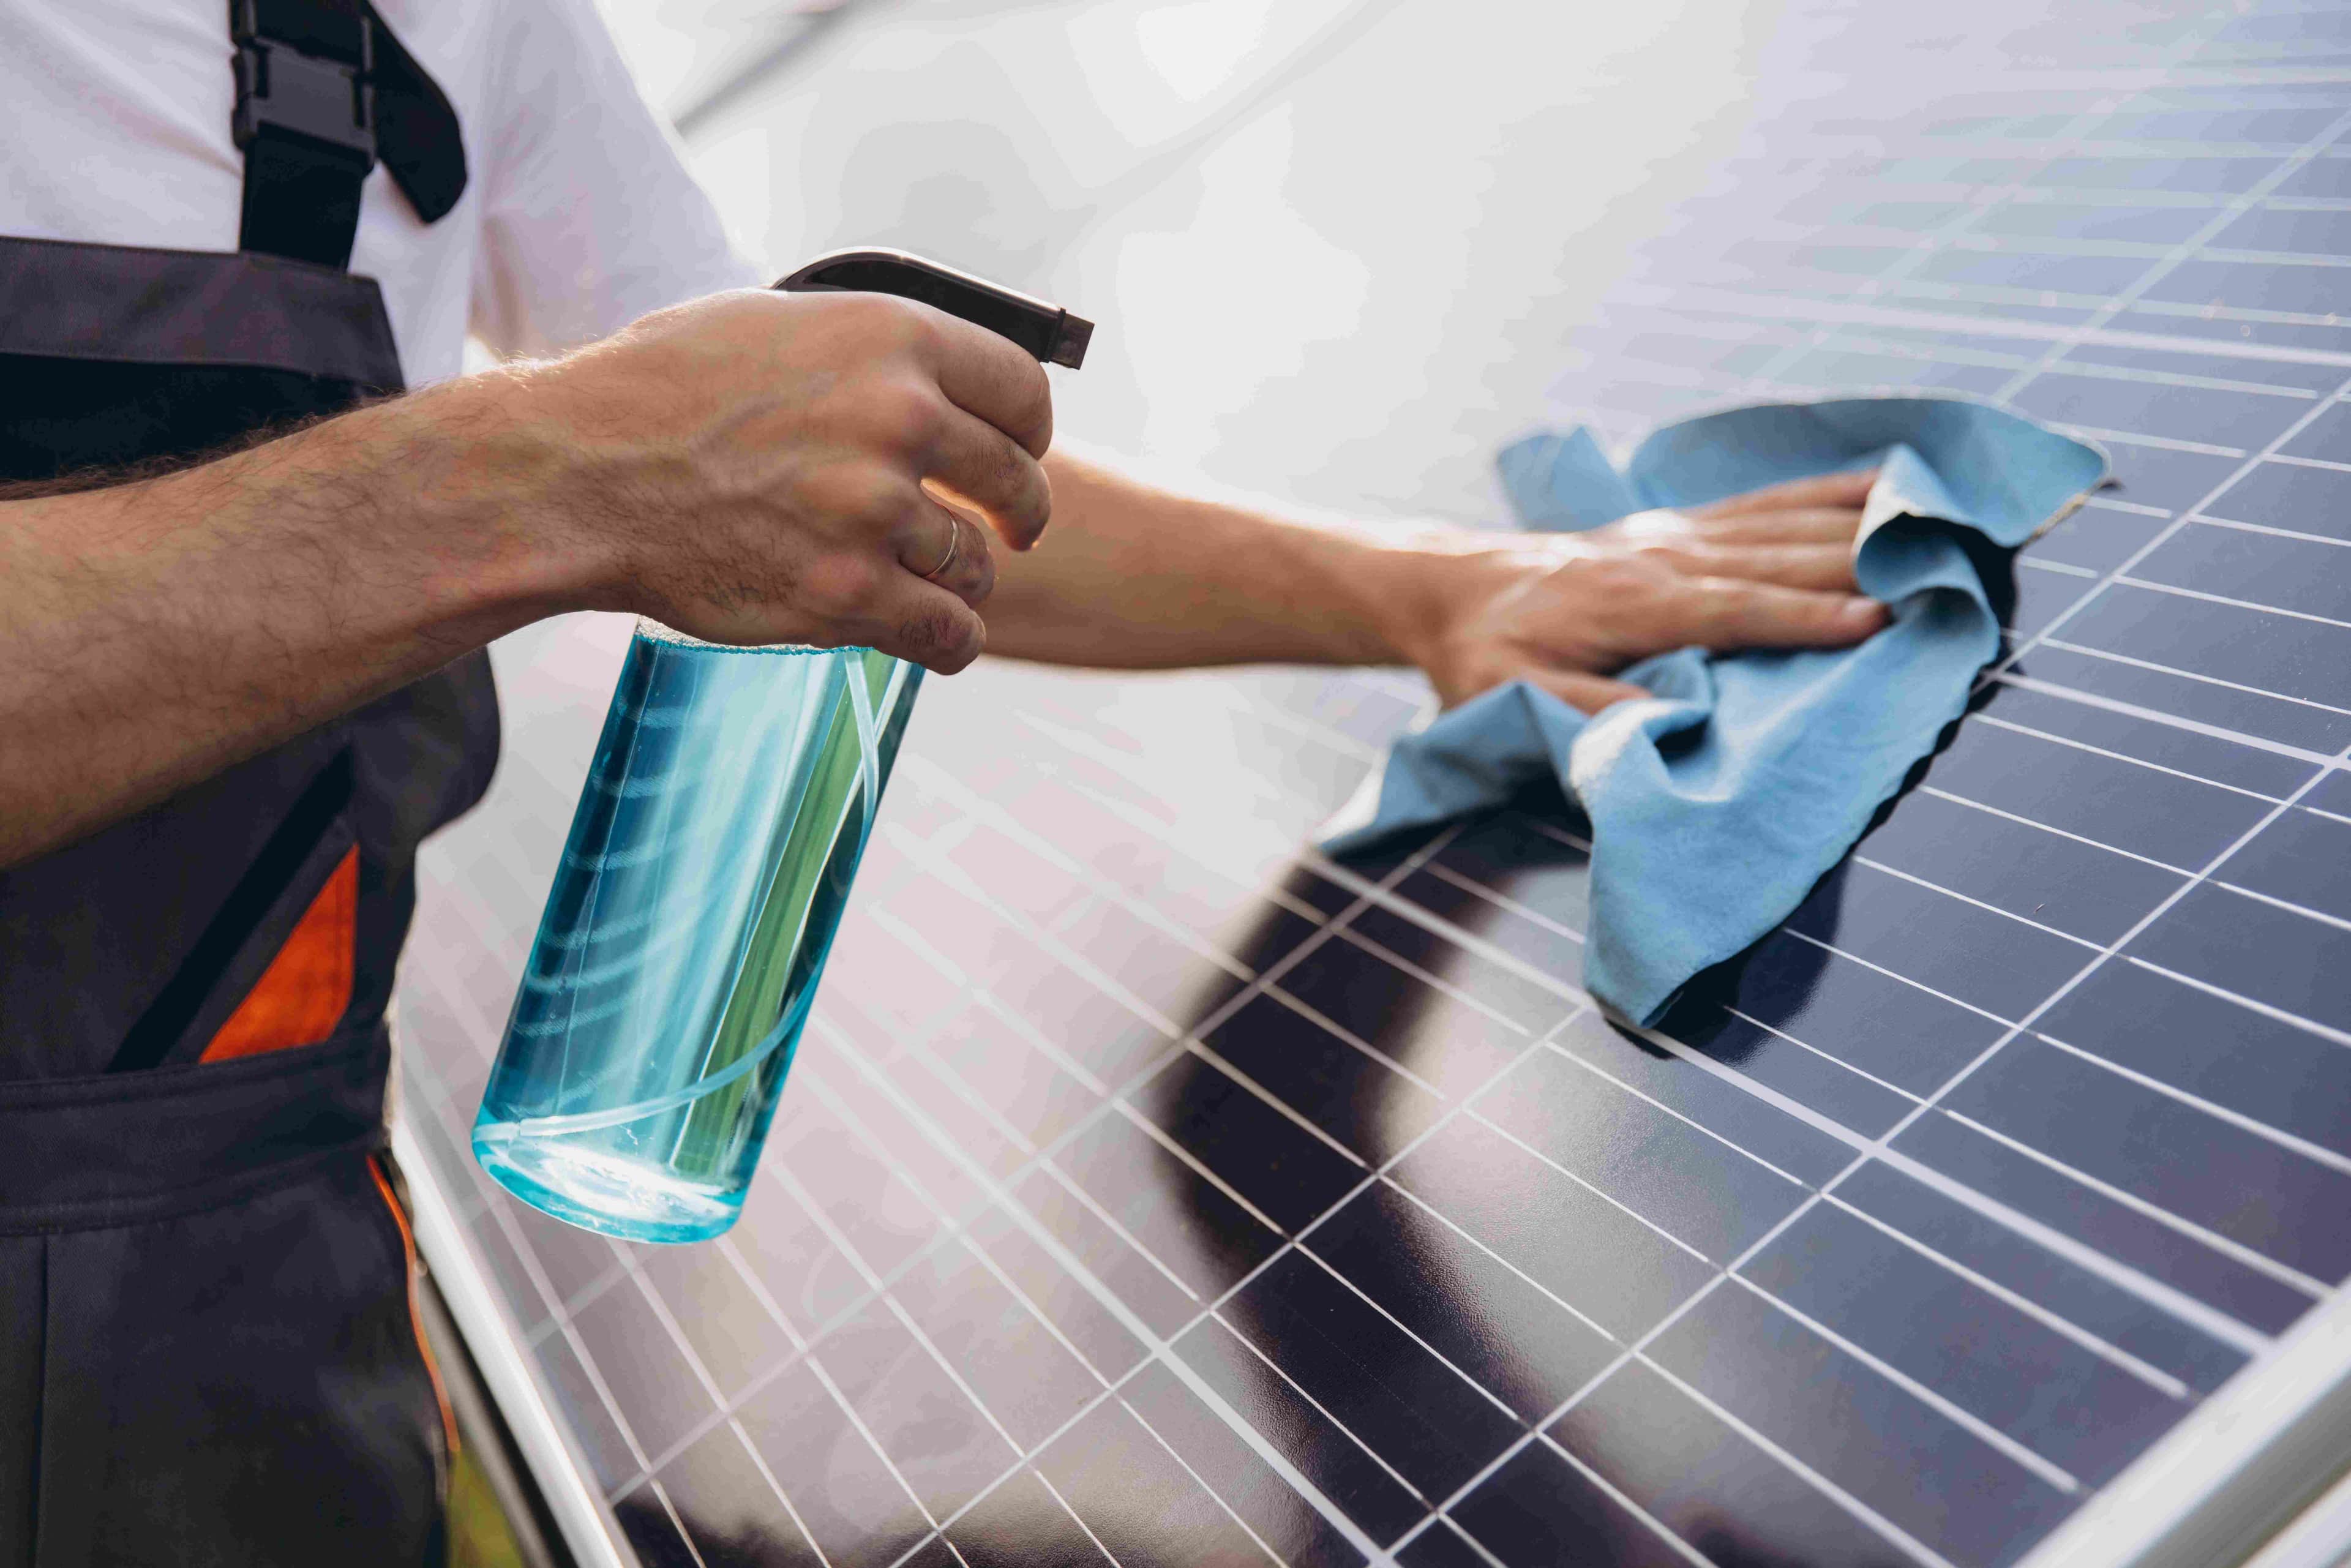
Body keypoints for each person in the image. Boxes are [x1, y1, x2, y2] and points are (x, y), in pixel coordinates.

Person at [0, 0, 1884, 1559]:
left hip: (248, 1338)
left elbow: (834, 471)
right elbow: (635, 454)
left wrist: (1442, 592)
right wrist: (555, 478)